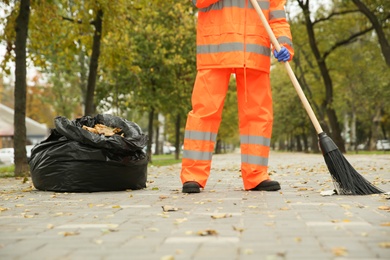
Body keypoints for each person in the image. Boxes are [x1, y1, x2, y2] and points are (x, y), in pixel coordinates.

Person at [181, 0, 294, 193]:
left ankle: (256, 175)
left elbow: (277, 16)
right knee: (205, 113)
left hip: (254, 50)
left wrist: (283, 44)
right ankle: (193, 176)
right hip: (215, 49)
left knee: (258, 115)